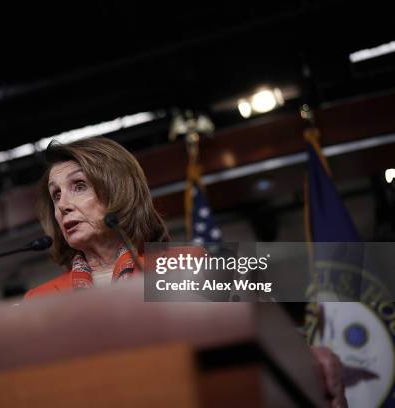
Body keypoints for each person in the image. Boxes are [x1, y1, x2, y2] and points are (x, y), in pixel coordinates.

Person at [24, 137, 347, 408]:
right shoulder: (40, 301)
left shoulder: (187, 264)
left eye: (78, 186)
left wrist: (310, 356)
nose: (63, 204)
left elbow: (267, 331)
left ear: (117, 192)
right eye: (56, 195)